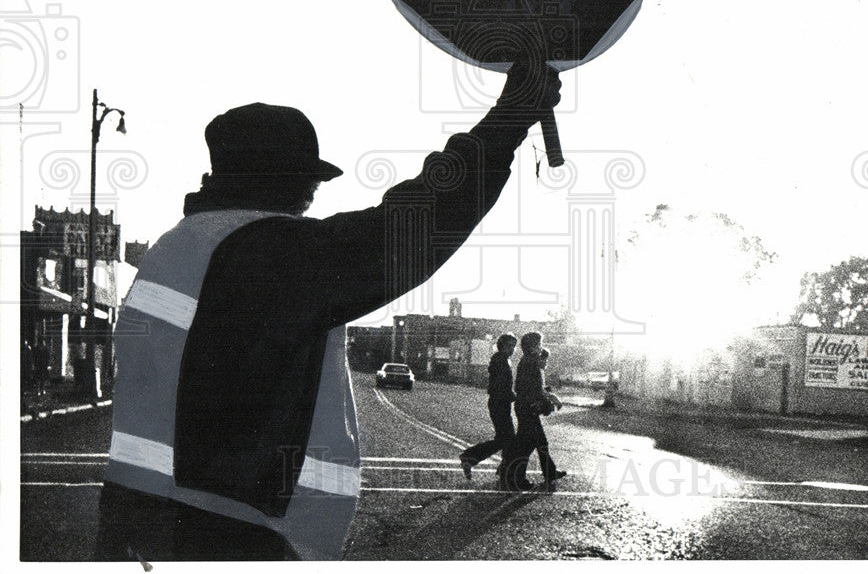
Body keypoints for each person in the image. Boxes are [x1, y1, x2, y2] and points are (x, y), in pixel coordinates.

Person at [97, 62, 561, 561]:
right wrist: (510, 117)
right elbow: (419, 222)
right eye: (310, 182)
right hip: (236, 525)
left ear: (217, 175)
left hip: (139, 514)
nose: (313, 197)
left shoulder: (174, 249)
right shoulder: (269, 251)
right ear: (295, 184)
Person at [505, 333, 567, 491]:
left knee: (540, 442)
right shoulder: (530, 363)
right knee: (528, 444)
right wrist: (551, 398)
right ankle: (516, 478)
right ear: (532, 347)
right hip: (528, 407)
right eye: (539, 344)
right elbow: (531, 388)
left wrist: (547, 396)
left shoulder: (530, 361)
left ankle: (550, 472)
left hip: (525, 406)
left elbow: (532, 386)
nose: (541, 347)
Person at [458, 333, 517, 481]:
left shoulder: (504, 360)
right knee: (506, 438)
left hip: (501, 402)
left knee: (505, 438)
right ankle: (470, 457)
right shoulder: (499, 361)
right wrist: (514, 395)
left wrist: (511, 395)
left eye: (514, 346)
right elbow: (500, 386)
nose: (512, 349)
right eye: (509, 345)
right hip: (499, 402)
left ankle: (500, 467)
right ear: (502, 346)